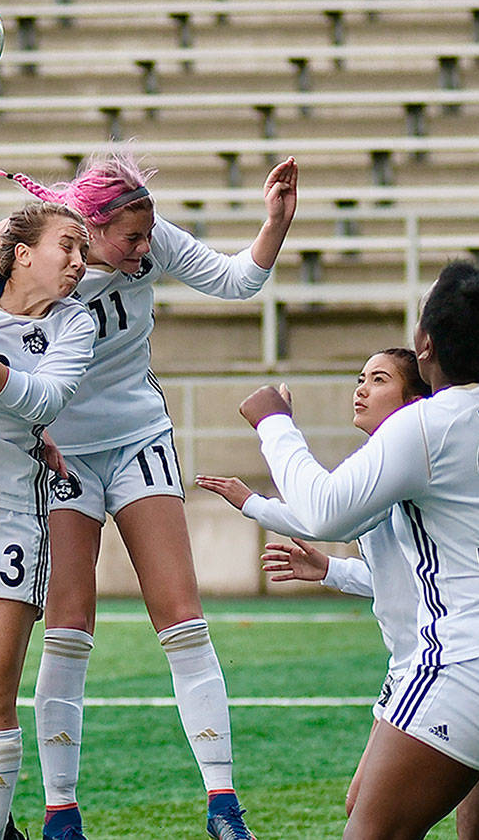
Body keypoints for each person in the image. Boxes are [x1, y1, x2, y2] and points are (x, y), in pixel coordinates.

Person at [238, 261, 479, 840]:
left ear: (425, 345)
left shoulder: (424, 426)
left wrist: (275, 424)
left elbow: (322, 510)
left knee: (368, 830)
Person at [0, 151, 298, 840]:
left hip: (138, 440)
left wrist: (273, 223)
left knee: (182, 618)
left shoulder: (147, 238)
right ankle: (61, 812)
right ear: (89, 229)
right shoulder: (41, 258)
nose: (143, 249)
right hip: (59, 453)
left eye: (147, 237)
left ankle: (224, 805)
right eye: (129, 239)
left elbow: (237, 279)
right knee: (68, 628)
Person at [195, 347, 431, 816]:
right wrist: (331, 570)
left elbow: (328, 516)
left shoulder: (406, 453)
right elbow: (402, 577)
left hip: (432, 664)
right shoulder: (391, 458)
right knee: (367, 808)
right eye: (360, 377)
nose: (361, 389)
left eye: (379, 379)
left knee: (373, 812)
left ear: (413, 399)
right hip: (413, 665)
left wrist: (262, 477)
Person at [0, 202, 97, 840]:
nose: (79, 262)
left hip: (11, 513)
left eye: (84, 251)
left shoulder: (75, 323)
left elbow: (44, 399)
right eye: (67, 245)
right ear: (21, 251)